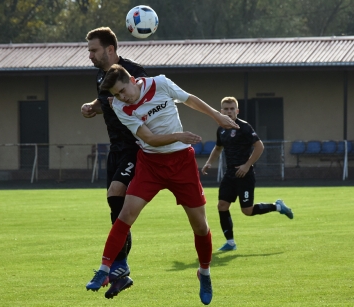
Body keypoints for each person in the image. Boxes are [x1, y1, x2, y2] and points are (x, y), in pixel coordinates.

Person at [85, 64, 240, 305]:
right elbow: (149, 139)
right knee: (125, 214)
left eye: (122, 90)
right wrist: (179, 136)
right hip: (151, 164)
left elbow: (190, 100)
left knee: (200, 226)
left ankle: (205, 273)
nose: (121, 96)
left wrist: (217, 115)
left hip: (182, 164)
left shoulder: (160, 84)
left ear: (132, 80)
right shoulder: (119, 107)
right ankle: (104, 268)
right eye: (116, 94)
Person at [81, 27, 148, 299]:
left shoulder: (134, 71)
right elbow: (105, 101)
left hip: (135, 147)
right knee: (116, 207)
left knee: (115, 194)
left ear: (110, 49)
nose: (90, 56)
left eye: (93, 50)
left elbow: (151, 100)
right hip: (116, 149)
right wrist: (91, 107)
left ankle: (117, 264)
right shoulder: (101, 76)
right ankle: (121, 271)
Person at [201, 96, 294, 252]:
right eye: (226, 109)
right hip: (230, 174)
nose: (229, 112)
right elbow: (218, 148)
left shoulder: (244, 127)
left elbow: (259, 147)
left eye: (232, 109)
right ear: (221, 111)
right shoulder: (221, 128)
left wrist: (246, 165)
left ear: (237, 111)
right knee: (222, 205)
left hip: (245, 175)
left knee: (247, 211)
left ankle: (277, 206)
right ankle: (230, 242)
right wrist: (209, 162)